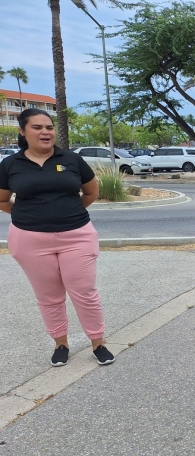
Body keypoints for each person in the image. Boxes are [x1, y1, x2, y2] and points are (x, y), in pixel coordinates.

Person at [0, 108, 114, 367]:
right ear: (22, 131)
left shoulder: (71, 159)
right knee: (48, 296)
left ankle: (98, 343)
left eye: (49, 127)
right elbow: (3, 200)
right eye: (37, 127)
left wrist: (69, 213)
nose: (45, 132)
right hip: (29, 239)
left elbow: (91, 193)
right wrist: (29, 215)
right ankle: (60, 343)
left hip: (77, 235)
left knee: (84, 291)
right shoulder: (10, 165)